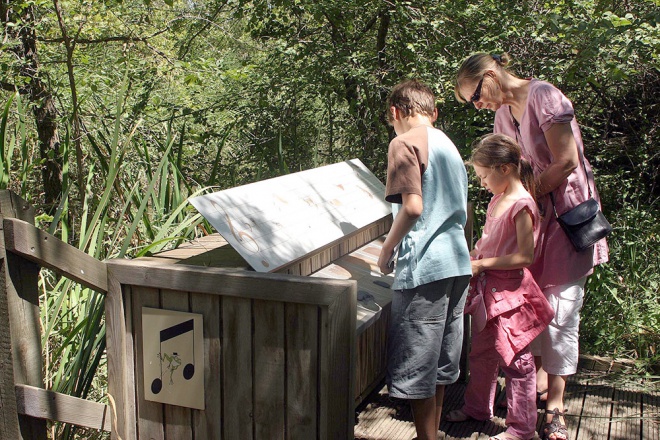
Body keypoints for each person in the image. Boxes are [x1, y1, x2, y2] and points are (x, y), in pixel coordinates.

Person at [454, 53, 609, 440]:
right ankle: (531, 390)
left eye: (474, 96)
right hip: (532, 221)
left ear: (489, 76)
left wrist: (526, 196)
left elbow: (568, 161)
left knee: (561, 313)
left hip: (565, 219)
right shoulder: (504, 115)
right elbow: (508, 168)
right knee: (532, 309)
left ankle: (555, 406)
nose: (477, 105)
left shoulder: (544, 97)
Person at [377, 79, 472, 440]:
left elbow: (413, 208)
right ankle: (428, 435)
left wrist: (388, 249)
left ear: (396, 113)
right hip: (457, 261)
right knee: (441, 361)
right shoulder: (448, 145)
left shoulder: (403, 143)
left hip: (425, 266)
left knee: (418, 361)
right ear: (433, 112)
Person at [444, 133, 554, 440]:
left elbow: (524, 256)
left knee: (516, 360)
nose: (482, 183)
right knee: (481, 353)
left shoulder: (522, 205)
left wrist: (481, 265)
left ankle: (522, 429)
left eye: (483, 176)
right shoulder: (498, 198)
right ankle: (478, 408)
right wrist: (473, 257)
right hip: (486, 294)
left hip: (510, 296)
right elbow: (491, 243)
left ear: (504, 169)